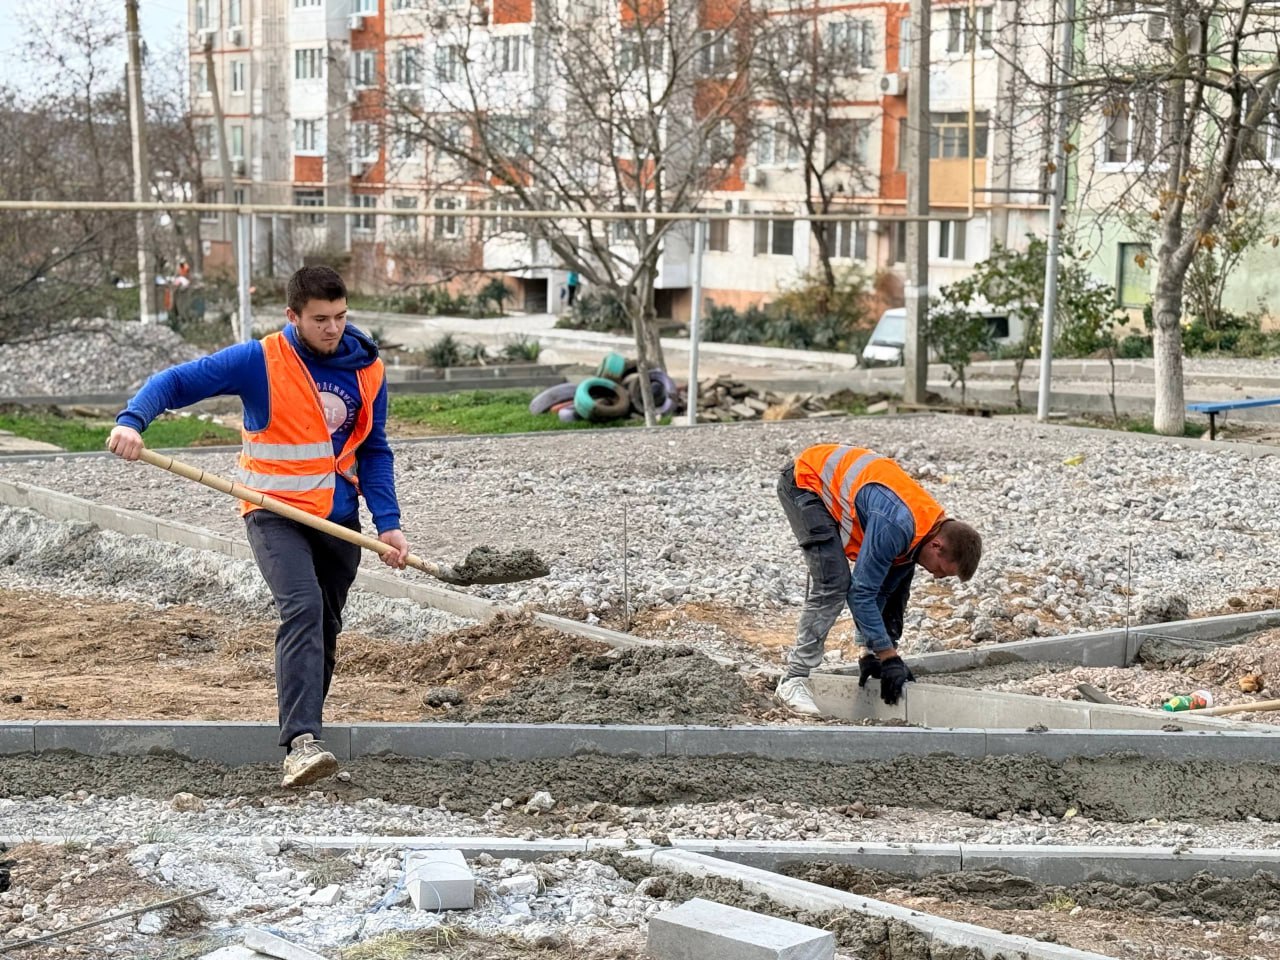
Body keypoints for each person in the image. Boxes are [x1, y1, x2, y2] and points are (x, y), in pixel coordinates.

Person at [107, 265, 410, 788]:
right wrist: (133, 420)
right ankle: (301, 744)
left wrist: (389, 523)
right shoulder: (260, 360)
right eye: (319, 319)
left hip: (339, 521)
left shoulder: (368, 369)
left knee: (327, 625)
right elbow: (176, 381)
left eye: (340, 317)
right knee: (302, 607)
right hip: (272, 512)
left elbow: (374, 449)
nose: (332, 328)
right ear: (292, 316)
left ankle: (310, 735)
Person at [775, 443, 982, 715]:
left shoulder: (923, 531)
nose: (938, 575)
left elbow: (882, 591)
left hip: (836, 486)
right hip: (805, 482)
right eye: (944, 569)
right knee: (833, 582)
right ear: (937, 547)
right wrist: (889, 656)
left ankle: (863, 655)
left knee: (894, 585)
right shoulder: (897, 525)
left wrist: (871, 654)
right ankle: (793, 679)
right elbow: (860, 593)